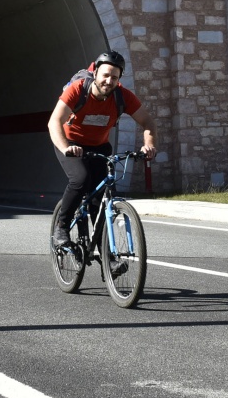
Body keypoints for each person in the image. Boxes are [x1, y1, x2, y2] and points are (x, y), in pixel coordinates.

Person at [47, 50, 157, 249]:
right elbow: (54, 121)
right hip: (70, 143)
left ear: (119, 79)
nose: (109, 81)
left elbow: (148, 121)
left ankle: (108, 256)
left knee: (103, 200)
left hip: (99, 147)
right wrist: (66, 148)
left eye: (114, 77)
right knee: (80, 179)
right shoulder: (78, 89)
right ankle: (61, 227)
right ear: (95, 72)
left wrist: (149, 144)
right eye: (105, 75)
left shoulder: (122, 97)